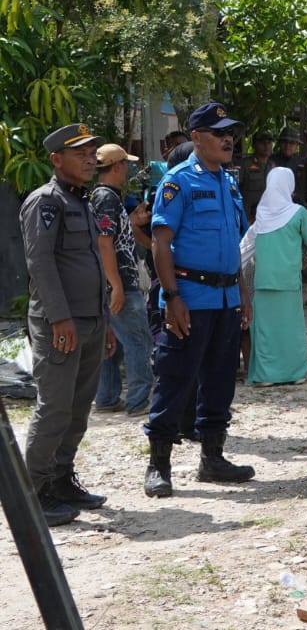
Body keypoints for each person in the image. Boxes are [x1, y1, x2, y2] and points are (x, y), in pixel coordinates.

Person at [143, 102, 257, 497]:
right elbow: (161, 244)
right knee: (176, 378)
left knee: (221, 379)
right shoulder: (179, 181)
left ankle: (213, 458)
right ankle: (158, 464)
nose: (228, 139)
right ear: (195, 137)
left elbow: (232, 243)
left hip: (226, 297)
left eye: (230, 133)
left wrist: (242, 292)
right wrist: (171, 297)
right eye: (218, 132)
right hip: (190, 297)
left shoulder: (227, 181)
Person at [21, 122, 118, 525]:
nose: (88, 158)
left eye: (90, 151)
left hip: (91, 321)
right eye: (79, 153)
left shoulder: (84, 201)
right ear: (56, 159)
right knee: (55, 409)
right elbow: (40, 263)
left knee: (79, 410)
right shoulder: (45, 202)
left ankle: (61, 479)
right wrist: (60, 318)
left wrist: (105, 321)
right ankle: (33, 493)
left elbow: (92, 263)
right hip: (60, 323)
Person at [245, 168, 307, 385]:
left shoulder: (261, 214)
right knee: (290, 330)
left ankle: (265, 376)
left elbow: (245, 248)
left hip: (263, 282)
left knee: (265, 332)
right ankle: (294, 373)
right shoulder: (298, 213)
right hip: (288, 282)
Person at [91, 143, 153, 416]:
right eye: (126, 164)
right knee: (139, 341)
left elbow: (111, 233)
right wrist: (116, 285)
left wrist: (131, 220)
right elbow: (104, 242)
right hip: (121, 285)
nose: (128, 168)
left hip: (112, 283)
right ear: (117, 166)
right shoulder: (106, 197)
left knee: (112, 344)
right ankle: (139, 401)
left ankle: (107, 398)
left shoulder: (104, 197)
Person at [239, 132, 274, 221]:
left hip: (268, 217)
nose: (266, 146)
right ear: (254, 145)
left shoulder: (273, 166)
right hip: (248, 217)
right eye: (262, 142)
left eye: (269, 142)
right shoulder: (245, 164)